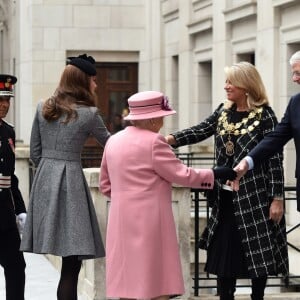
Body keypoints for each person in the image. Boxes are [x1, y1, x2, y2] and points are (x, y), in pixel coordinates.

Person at [165, 62, 289, 300]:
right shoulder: (223, 111)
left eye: (231, 82)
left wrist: (277, 198)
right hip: (224, 198)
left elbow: (275, 160)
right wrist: (169, 139)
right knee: (224, 255)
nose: (226, 86)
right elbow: (200, 130)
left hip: (256, 197)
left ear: (246, 85)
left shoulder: (265, 116)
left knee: (256, 254)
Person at [99, 90, 236, 300]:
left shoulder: (113, 141)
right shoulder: (155, 142)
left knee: (127, 283)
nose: (163, 121)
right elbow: (183, 175)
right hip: (151, 222)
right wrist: (216, 173)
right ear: (153, 118)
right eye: (162, 116)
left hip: (120, 220)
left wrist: (126, 198)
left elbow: (105, 184)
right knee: (156, 284)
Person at [20, 54, 111, 300]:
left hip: (44, 183)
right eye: (93, 79)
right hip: (71, 183)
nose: (95, 85)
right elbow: (112, 145)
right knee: (72, 264)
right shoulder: (90, 114)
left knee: (67, 261)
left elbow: (35, 152)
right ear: (81, 81)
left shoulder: (42, 107)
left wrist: (50, 171)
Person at [235, 51, 300, 212]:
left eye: (298, 73)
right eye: (293, 73)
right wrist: (247, 162)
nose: (294, 79)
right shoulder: (295, 103)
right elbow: (275, 138)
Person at [0, 74, 27, 300]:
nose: (5, 105)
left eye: (7, 100)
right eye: (0, 100)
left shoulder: (8, 131)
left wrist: (21, 210)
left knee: (17, 268)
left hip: (5, 218)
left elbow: (11, 178)